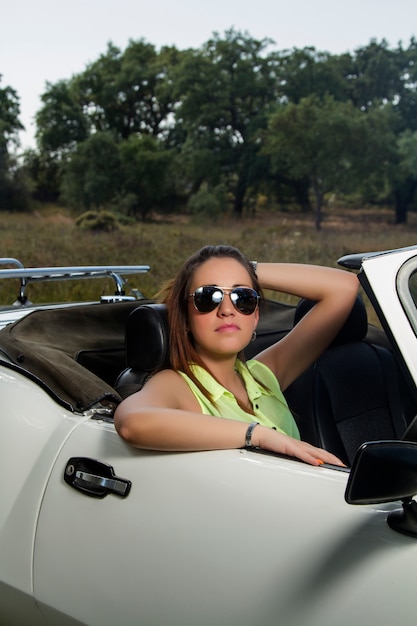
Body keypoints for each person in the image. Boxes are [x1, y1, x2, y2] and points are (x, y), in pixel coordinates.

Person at [114, 245, 358, 466]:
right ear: (185, 319)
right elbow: (132, 423)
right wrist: (257, 435)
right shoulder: (178, 384)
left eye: (243, 298)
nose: (227, 310)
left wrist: (238, 267)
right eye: (208, 297)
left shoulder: (264, 375)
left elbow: (344, 287)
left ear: (255, 318)